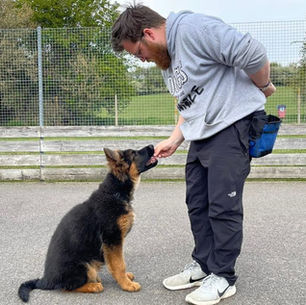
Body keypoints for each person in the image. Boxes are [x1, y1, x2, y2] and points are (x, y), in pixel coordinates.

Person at [112, 4, 276, 305]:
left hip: (231, 126)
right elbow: (189, 106)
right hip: (201, 135)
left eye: (138, 52)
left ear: (148, 34)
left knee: (222, 207)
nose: (142, 59)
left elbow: (252, 52)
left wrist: (263, 85)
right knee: (197, 204)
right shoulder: (168, 59)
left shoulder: (192, 29)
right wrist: (175, 139)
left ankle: (224, 277)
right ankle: (203, 265)